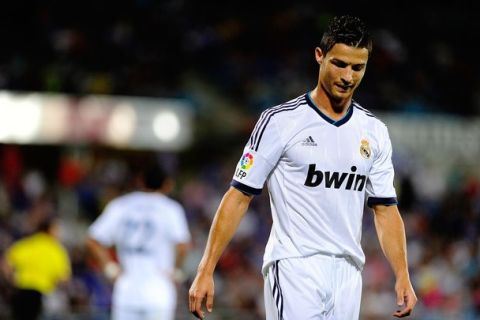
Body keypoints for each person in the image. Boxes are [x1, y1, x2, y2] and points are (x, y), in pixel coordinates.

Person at [189, 15, 417, 319]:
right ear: (319, 56)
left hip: (349, 271)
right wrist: (206, 268)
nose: (348, 76)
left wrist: (402, 273)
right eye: (340, 64)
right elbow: (239, 195)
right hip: (295, 264)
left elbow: (386, 210)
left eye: (357, 67)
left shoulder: (373, 131)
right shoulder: (280, 122)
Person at [86, 164, 191, 320]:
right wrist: (176, 271)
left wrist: (110, 268)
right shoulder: (171, 209)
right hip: (159, 289)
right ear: (167, 184)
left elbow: (92, 239)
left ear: (140, 181)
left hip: (127, 289)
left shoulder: (121, 205)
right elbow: (182, 246)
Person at [2, 217, 71, 320]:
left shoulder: (26, 244)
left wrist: (11, 281)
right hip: (41, 295)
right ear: (50, 230)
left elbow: (5, 264)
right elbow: (64, 279)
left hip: (20, 292)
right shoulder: (57, 250)